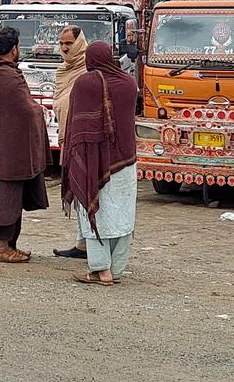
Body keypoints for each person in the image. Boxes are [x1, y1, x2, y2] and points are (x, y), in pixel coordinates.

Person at [62, 40, 139, 286]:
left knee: (93, 211)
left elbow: (78, 124)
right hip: (126, 162)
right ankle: (116, 270)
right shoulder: (129, 83)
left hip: (94, 161)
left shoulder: (86, 84)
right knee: (122, 215)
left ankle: (100, 270)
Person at [0, 27, 48, 263]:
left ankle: (10, 245)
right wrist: (39, 110)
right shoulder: (6, 75)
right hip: (6, 151)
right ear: (14, 49)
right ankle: (1, 248)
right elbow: (26, 108)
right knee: (4, 199)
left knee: (10, 197)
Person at [52, 25, 90, 260]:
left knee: (85, 191)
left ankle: (88, 244)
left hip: (82, 141)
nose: (65, 48)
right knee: (77, 192)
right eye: (62, 44)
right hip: (68, 137)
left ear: (79, 43)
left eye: (69, 44)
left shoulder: (88, 71)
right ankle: (82, 242)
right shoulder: (63, 71)